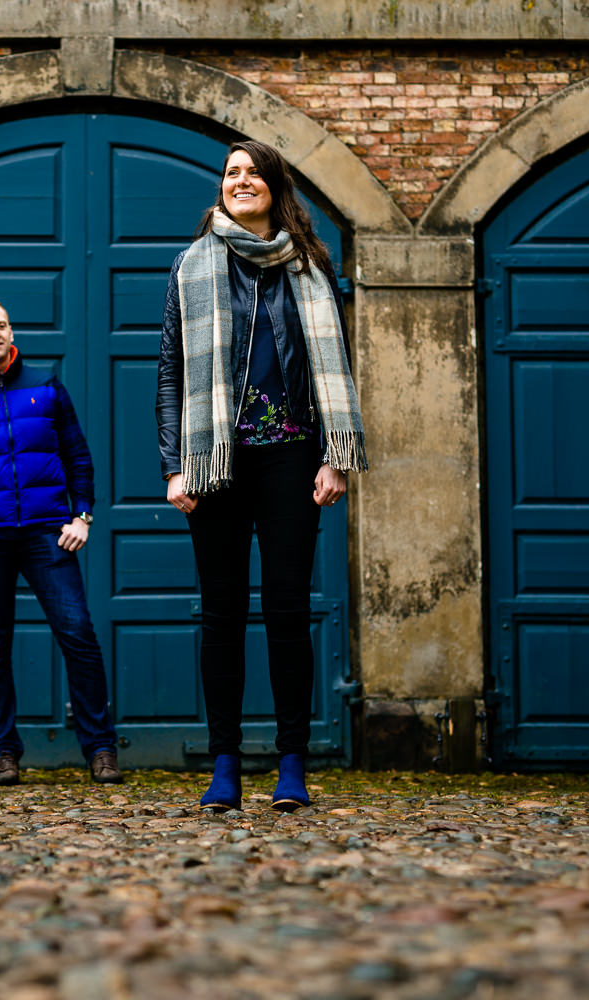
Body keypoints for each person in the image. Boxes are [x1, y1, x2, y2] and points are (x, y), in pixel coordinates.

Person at [156, 140, 367, 812]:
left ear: (275, 186)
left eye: (252, 173)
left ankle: (292, 763)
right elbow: (170, 372)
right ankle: (224, 763)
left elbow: (336, 367)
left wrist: (335, 455)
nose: (240, 180)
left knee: (285, 611)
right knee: (221, 614)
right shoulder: (191, 267)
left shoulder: (309, 265)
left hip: (292, 456)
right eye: (230, 173)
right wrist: (174, 465)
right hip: (217, 459)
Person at [0, 299, 122, 787]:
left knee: (77, 634)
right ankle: (3, 753)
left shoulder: (46, 386)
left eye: (2, 325)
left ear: (11, 332)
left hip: (47, 531)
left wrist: (83, 516)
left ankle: (101, 749)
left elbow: (78, 456)